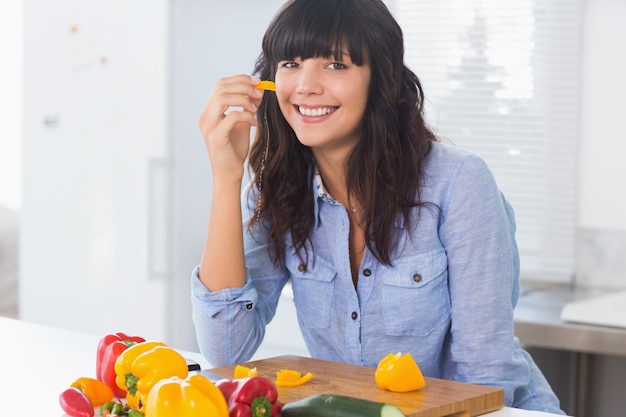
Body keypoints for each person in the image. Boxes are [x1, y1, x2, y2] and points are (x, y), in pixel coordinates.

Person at [192, 0, 564, 413]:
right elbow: (226, 349)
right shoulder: (279, 187)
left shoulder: (459, 183)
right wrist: (226, 178)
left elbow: (487, 378)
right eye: (290, 63)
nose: (306, 86)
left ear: (380, 79)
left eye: (336, 65)